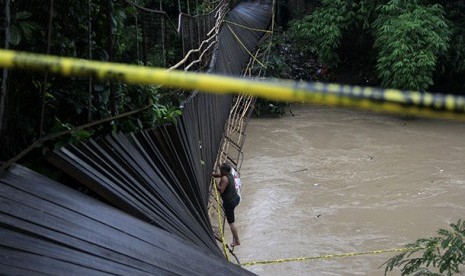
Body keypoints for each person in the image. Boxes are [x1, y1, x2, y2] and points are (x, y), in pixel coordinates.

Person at [213, 163, 241, 248]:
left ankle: (237, 241)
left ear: (224, 171)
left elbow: (221, 190)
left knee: (231, 223)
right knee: (231, 215)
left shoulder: (224, 179)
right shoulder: (230, 174)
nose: (220, 170)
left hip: (230, 202)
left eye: (221, 169)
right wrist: (213, 174)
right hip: (236, 198)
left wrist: (215, 183)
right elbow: (220, 174)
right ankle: (236, 239)